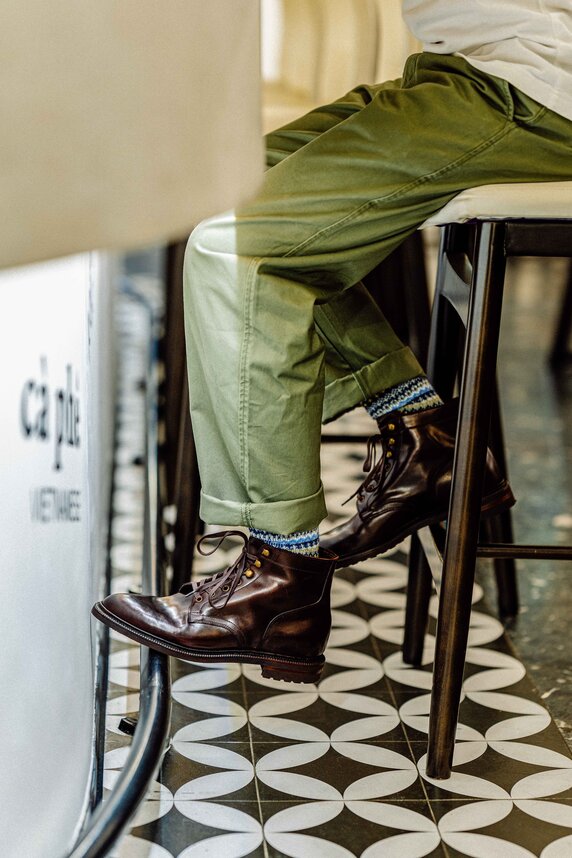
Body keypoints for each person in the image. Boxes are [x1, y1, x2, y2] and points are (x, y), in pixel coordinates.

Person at [93, 0, 572, 684]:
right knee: (223, 192)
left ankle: (278, 576)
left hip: (532, 89)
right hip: (477, 71)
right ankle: (422, 435)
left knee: (236, 251)